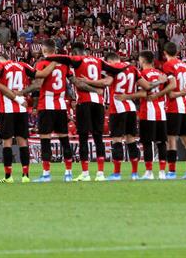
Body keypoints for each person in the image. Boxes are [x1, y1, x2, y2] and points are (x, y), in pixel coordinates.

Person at [24, 40, 75, 182]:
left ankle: (46, 174)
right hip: (61, 105)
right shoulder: (64, 65)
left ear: (44, 50)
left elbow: (38, 84)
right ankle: (69, 173)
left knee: (45, 140)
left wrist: (23, 91)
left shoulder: (42, 63)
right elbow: (71, 82)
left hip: (46, 105)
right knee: (64, 140)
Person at [68, 42, 117, 182]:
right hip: (99, 103)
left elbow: (78, 83)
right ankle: (100, 173)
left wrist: (90, 86)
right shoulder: (98, 61)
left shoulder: (77, 61)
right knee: (98, 137)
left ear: (76, 53)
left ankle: (85, 173)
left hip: (84, 102)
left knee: (83, 137)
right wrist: (99, 87)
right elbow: (111, 73)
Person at [0, 54, 34, 183]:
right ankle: (25, 175)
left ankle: (8, 176)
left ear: (1, 60)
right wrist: (24, 92)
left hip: (8, 109)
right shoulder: (23, 65)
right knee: (22, 141)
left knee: (7, 142)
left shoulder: (2, 65)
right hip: (22, 108)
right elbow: (37, 77)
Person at [161, 42, 186, 179]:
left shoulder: (168, 65)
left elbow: (171, 89)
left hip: (173, 107)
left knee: (171, 140)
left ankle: (172, 172)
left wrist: (175, 94)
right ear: (177, 52)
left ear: (165, 53)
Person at [135, 50, 172, 180]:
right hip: (161, 111)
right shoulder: (161, 74)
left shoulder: (142, 74)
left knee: (147, 142)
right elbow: (170, 89)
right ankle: (162, 172)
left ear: (143, 61)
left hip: (147, 111)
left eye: (140, 60)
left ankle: (149, 172)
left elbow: (142, 93)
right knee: (161, 142)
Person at [105, 52, 142, 181]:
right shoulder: (132, 68)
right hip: (131, 108)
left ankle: (117, 173)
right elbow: (145, 87)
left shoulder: (112, 69)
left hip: (117, 108)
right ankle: (135, 173)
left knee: (117, 140)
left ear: (110, 61)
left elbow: (107, 82)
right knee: (131, 140)